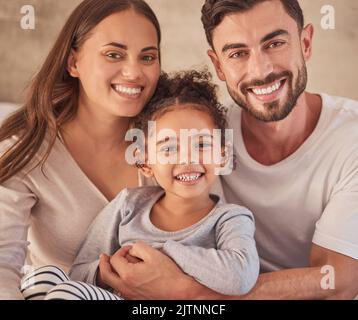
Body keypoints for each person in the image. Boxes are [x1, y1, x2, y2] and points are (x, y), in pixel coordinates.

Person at [94, 0, 358, 300]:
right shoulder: (202, 134)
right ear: (218, 64)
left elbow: (337, 283)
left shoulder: (352, 139)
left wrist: (185, 291)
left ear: (306, 42)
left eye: (275, 43)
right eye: (237, 53)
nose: (260, 69)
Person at [20, 70, 259, 300]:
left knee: (66, 293)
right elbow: (79, 271)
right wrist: (107, 273)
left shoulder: (231, 219)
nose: (188, 159)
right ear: (145, 163)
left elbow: (241, 276)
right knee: (44, 278)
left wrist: (166, 252)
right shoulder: (129, 205)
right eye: (169, 148)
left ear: (223, 156)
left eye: (202, 145)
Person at [0, 0, 161, 300]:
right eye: (114, 54)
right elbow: (2, 265)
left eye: (148, 57)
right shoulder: (26, 149)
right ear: (73, 63)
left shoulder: (167, 140)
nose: (134, 72)